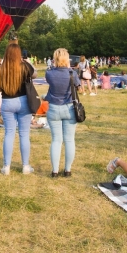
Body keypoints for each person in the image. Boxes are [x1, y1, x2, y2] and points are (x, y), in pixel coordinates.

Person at [0, 42, 35, 175]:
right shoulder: (25, 67)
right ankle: (25, 166)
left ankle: (6, 166)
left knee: (9, 133)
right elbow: (34, 74)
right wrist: (27, 62)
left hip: (7, 102)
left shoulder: (1, 68)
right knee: (24, 134)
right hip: (24, 101)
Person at [45, 48, 78, 178]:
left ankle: (55, 171)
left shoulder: (49, 73)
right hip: (69, 108)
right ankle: (68, 170)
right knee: (69, 140)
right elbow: (78, 86)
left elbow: (50, 81)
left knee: (56, 140)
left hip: (53, 108)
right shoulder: (72, 73)